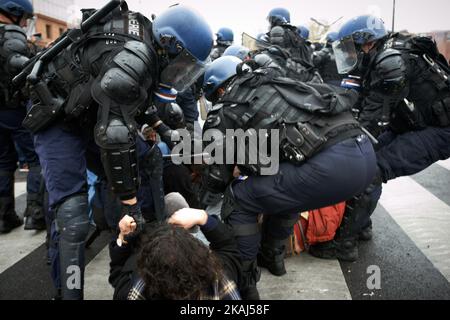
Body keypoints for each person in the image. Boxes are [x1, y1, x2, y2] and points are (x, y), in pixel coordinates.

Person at [21, 1, 213, 299]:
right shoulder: (137, 55)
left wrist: (163, 130)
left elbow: (129, 99)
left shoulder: (147, 49)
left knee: (149, 159)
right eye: (183, 65)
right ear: (169, 45)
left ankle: (154, 242)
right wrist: (130, 201)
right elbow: (115, 135)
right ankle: (68, 291)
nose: (181, 74)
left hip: (91, 114)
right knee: (72, 216)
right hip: (57, 119)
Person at [198, 55, 377, 299]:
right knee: (281, 187)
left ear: (219, 89)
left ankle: (246, 284)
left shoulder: (226, 107)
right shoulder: (277, 81)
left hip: (332, 166)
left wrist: (197, 209)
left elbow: (217, 181)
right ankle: (274, 256)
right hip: (365, 156)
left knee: (238, 198)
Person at [311, 15, 450, 261]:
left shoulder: (389, 63)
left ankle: (345, 245)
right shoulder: (384, 56)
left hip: (439, 130)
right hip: (416, 121)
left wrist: (335, 144)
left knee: (370, 169)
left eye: (351, 47)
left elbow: (372, 121)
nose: (348, 55)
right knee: (366, 159)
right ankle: (361, 225)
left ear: (366, 43)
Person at [109, 193, 242, 300]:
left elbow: (118, 274)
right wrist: (202, 217)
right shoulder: (219, 280)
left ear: (147, 267)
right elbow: (229, 248)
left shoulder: (135, 288)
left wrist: (123, 238)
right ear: (198, 253)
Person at [0, 0, 46, 233]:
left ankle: (4, 216)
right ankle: (36, 215)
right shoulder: (11, 34)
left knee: (4, 163)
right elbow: (23, 68)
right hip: (15, 110)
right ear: (14, 13)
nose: (27, 23)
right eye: (26, 18)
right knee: (36, 159)